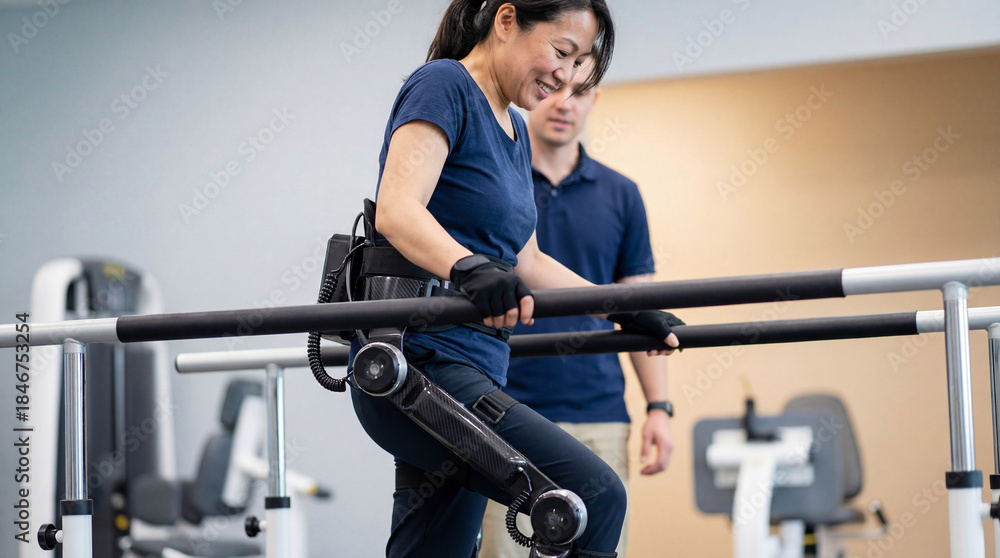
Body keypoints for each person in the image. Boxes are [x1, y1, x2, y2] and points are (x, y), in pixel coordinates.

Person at [347, 2, 680, 557]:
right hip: (421, 369)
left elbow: (529, 261)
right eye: (561, 52)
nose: (565, 76)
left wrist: (622, 308)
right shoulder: (444, 85)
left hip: (475, 366)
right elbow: (397, 209)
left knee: (436, 550)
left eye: (579, 64)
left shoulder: (515, 129)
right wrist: (468, 267)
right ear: (506, 21)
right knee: (594, 497)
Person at [479, 61, 674, 558]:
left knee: (596, 548)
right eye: (555, 88)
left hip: (598, 412)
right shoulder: (497, 185)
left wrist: (659, 407)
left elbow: (638, 307)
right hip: (505, 407)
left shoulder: (621, 193)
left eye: (581, 92)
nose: (565, 103)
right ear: (533, 90)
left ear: (595, 101)